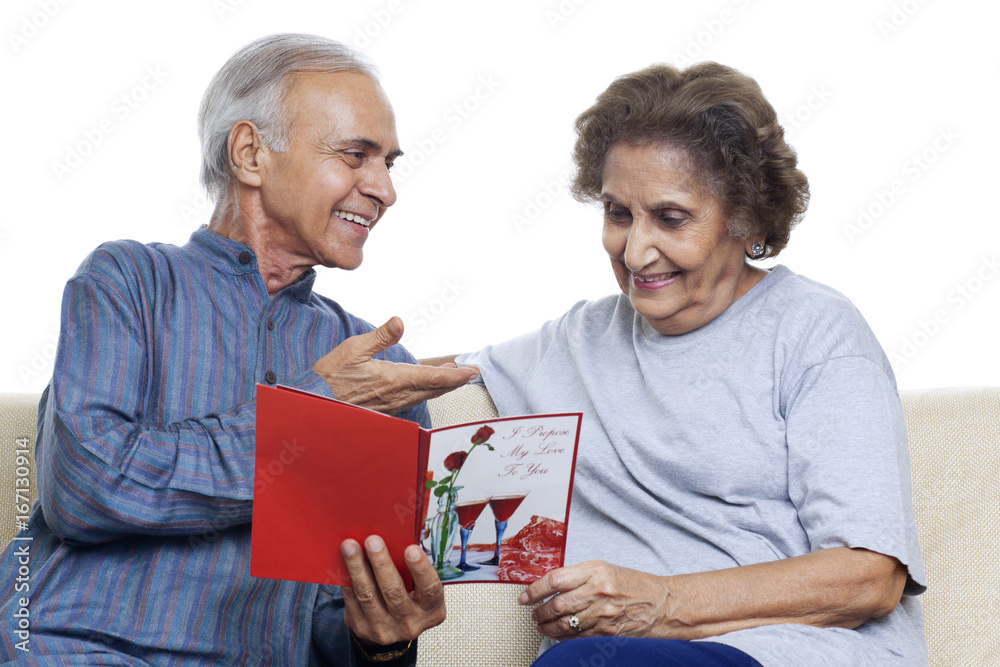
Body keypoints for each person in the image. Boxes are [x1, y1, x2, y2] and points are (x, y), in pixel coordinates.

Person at [0, 34, 478, 665]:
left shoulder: (382, 370)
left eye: (389, 163)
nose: (385, 190)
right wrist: (319, 404)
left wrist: (379, 639)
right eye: (356, 155)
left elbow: (339, 619)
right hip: (72, 646)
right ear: (251, 153)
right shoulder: (129, 280)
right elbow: (85, 487)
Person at [452, 63, 927, 665]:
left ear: (747, 220)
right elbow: (428, 375)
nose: (634, 251)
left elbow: (870, 577)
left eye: (671, 218)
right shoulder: (580, 337)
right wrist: (348, 371)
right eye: (618, 213)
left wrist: (662, 601)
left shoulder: (815, 331)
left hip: (792, 652)